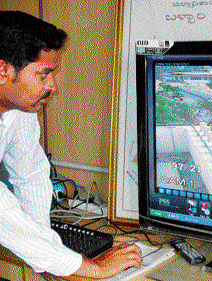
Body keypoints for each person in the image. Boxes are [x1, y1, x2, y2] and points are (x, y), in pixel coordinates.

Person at [0, 11, 142, 280]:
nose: (52, 85)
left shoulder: (19, 109)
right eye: (44, 74)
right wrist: (94, 268)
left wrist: (47, 257)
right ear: (3, 71)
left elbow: (29, 175)